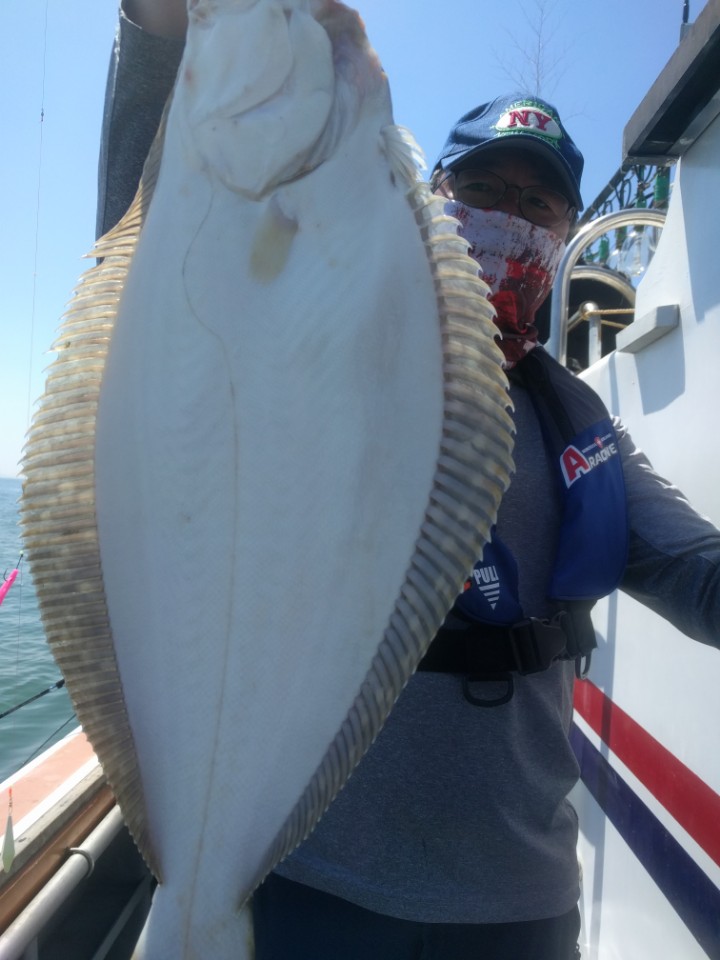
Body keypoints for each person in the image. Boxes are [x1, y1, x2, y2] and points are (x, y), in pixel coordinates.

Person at [98, 6, 720, 959]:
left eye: (539, 204)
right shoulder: (320, 355)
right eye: (485, 189)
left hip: (518, 907)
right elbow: (161, 255)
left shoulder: (581, 429)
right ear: (431, 195)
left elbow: (699, 576)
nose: (511, 220)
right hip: (308, 879)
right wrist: (154, 29)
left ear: (567, 234)